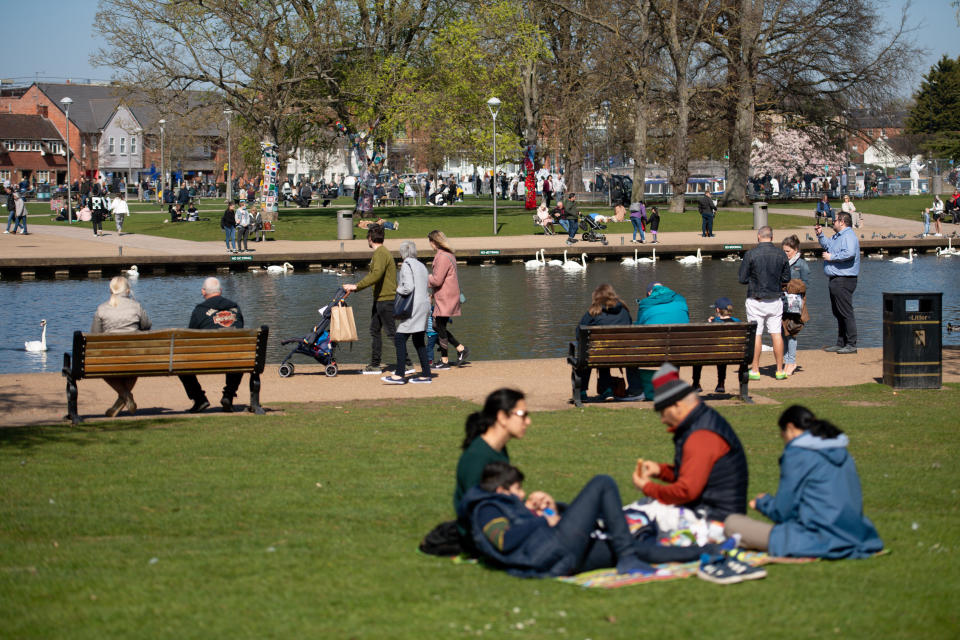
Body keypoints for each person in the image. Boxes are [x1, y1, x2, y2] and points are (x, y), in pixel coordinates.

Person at [724, 405, 883, 558]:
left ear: (791, 428)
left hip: (817, 539)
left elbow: (782, 512)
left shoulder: (797, 454)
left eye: (783, 434)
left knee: (732, 523)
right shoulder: (840, 449)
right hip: (858, 534)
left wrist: (763, 503)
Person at [460, 462, 656, 577]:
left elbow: (546, 522)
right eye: (518, 489)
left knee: (637, 549)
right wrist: (543, 519)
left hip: (558, 552)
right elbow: (504, 540)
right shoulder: (489, 509)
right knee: (602, 482)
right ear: (502, 490)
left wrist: (552, 511)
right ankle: (628, 556)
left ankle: (682, 551)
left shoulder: (509, 506)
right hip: (551, 553)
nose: (522, 494)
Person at [632, 362, 749, 522]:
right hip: (711, 512)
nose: (663, 419)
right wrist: (661, 471)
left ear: (677, 405)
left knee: (636, 518)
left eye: (663, 412)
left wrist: (648, 487)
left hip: (714, 520)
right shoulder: (701, 421)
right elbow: (695, 475)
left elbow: (687, 491)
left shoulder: (701, 435)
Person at [178, 277, 245, 413]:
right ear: (220, 291)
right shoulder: (235, 307)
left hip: (207, 359)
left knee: (179, 362)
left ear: (203, 291)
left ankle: (199, 399)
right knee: (237, 351)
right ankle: (228, 395)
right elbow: (241, 328)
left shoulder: (200, 310)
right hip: (235, 358)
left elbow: (191, 336)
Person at [342, 225, 401, 375]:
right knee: (374, 330)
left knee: (391, 333)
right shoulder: (381, 253)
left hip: (385, 299)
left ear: (370, 238)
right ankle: (375, 364)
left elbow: (376, 275)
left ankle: (406, 363)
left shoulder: (381, 254)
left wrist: (356, 286)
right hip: (379, 299)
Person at [90, 276, 151, 416]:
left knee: (100, 367)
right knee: (135, 365)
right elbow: (147, 326)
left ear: (110, 290)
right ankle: (125, 396)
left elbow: (94, 336)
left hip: (110, 358)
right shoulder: (136, 306)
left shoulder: (102, 309)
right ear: (128, 291)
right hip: (135, 357)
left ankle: (124, 396)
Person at [738, 225, 790, 380]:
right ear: (772, 238)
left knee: (756, 334)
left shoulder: (751, 254)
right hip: (775, 298)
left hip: (756, 299)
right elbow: (786, 278)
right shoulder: (781, 254)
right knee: (776, 333)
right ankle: (780, 369)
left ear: (758, 237)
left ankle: (755, 369)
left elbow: (742, 279)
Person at [382, 241, 432, 385]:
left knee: (399, 338)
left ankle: (399, 375)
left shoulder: (406, 265)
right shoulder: (421, 265)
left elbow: (408, 288)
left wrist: (397, 289)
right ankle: (426, 374)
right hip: (424, 306)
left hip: (413, 307)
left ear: (402, 253)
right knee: (418, 340)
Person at [816, 212, 860, 354]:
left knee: (846, 312)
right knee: (838, 312)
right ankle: (841, 342)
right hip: (836, 279)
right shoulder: (838, 236)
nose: (832, 222)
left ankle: (852, 344)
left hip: (844, 280)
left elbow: (850, 253)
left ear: (842, 222)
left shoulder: (849, 236)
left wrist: (832, 257)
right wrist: (820, 235)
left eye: (835, 220)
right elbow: (828, 245)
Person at [579, 284, 632, 401]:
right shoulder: (624, 310)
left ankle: (582, 391)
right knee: (603, 352)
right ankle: (607, 391)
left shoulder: (593, 311)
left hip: (599, 354)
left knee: (589, 353)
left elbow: (579, 332)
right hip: (623, 353)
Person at [427, 230, 468, 369]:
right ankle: (460, 349)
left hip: (445, 297)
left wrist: (425, 278)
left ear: (434, 242)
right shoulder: (448, 254)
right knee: (437, 326)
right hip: (446, 296)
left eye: (430, 241)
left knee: (439, 326)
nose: (430, 245)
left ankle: (445, 361)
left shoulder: (442, 257)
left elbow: (437, 280)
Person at [692, 297, 740, 394]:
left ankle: (696, 383)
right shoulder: (738, 322)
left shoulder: (714, 322)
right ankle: (721, 383)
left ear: (718, 310)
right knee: (723, 351)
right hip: (733, 354)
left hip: (713, 353)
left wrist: (709, 323)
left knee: (698, 354)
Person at [781, 235, 810, 376]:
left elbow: (806, 284)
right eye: (784, 251)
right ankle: (786, 360)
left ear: (796, 249)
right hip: (782, 301)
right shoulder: (781, 262)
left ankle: (791, 362)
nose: (785, 254)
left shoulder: (802, 265)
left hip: (795, 304)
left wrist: (791, 286)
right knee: (782, 332)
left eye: (788, 251)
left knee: (791, 332)